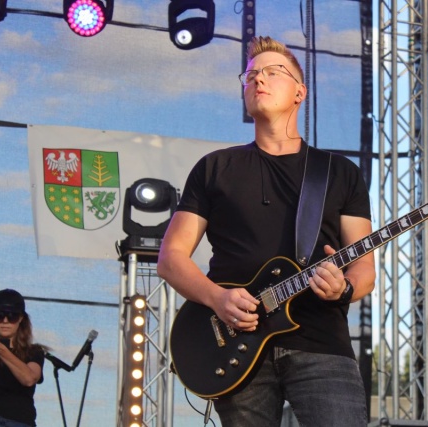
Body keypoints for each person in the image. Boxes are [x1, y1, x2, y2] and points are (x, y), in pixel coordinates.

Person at [157, 35, 376, 427]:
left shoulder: (339, 172)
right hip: (236, 343)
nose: (258, 79)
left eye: (273, 72)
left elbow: (364, 269)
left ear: (300, 92)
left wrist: (343, 289)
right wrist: (218, 299)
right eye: (251, 75)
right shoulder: (214, 168)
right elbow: (171, 258)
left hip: (321, 342)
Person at [0, 289, 44, 427]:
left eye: (12, 316)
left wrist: (1, 350)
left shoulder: (33, 351)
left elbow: (29, 379)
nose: (5, 321)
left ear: (21, 319)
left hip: (17, 421)